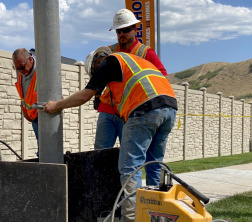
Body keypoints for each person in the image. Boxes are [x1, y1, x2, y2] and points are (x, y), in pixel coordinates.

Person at [44, 47, 177, 222]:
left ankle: (131, 218)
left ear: (96, 64)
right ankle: (156, 214)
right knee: (154, 163)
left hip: (145, 108)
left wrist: (57, 105)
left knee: (130, 166)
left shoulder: (109, 63)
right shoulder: (133, 62)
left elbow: (85, 96)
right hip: (170, 107)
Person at [93, 8, 169, 150]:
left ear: (135, 29)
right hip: (108, 108)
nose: (122, 34)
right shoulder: (110, 50)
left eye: (126, 30)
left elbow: (162, 77)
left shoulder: (146, 53)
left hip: (130, 111)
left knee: (129, 153)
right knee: (100, 152)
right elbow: (97, 75)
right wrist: (97, 94)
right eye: (118, 31)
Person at [12, 48, 39, 156]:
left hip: (44, 116)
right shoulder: (19, 71)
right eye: (16, 68)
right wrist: (24, 110)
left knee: (45, 150)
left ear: (30, 60)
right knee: (41, 148)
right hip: (32, 116)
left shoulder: (42, 71)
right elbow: (24, 95)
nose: (19, 70)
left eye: (22, 67)